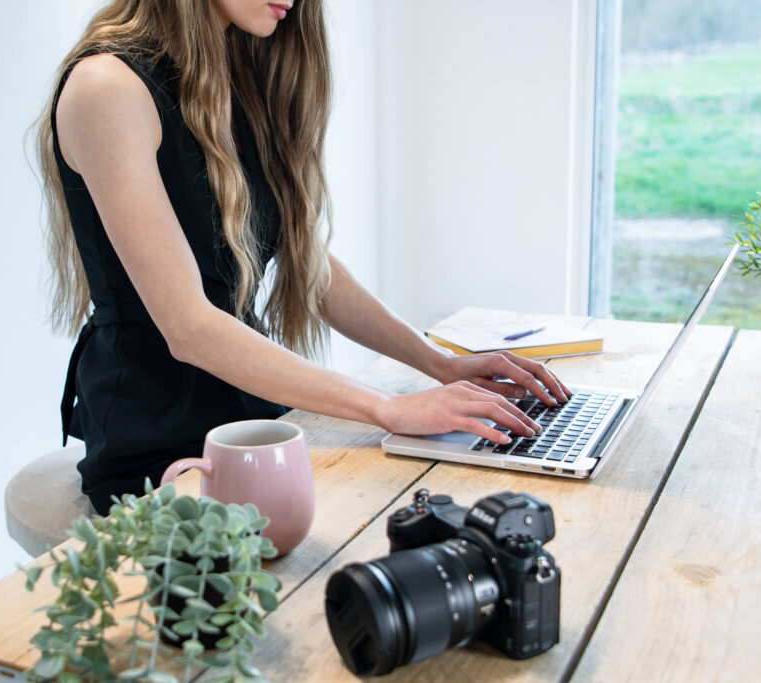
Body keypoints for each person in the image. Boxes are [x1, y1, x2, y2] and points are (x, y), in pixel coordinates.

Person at [38, 0, 570, 515]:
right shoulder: (107, 87)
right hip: (155, 431)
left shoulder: (239, 75)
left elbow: (307, 261)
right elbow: (189, 326)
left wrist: (439, 364)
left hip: (250, 409)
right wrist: (385, 405)